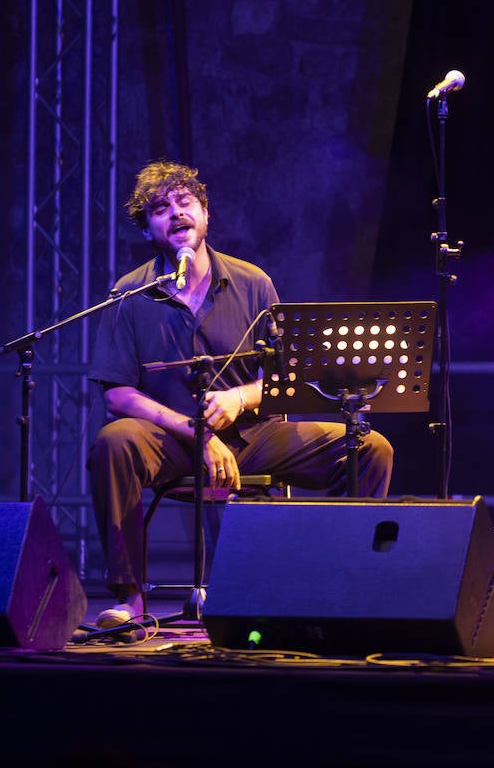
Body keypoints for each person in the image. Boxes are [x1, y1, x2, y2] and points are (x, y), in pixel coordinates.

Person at [86, 161, 393, 626]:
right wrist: (195, 432)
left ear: (206, 214)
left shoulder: (253, 283)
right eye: (160, 208)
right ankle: (131, 599)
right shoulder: (130, 293)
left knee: (369, 447)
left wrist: (240, 399)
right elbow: (118, 394)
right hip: (171, 442)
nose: (176, 213)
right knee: (114, 440)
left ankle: (341, 584)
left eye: (185, 202)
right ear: (148, 230)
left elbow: (288, 378)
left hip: (253, 437)